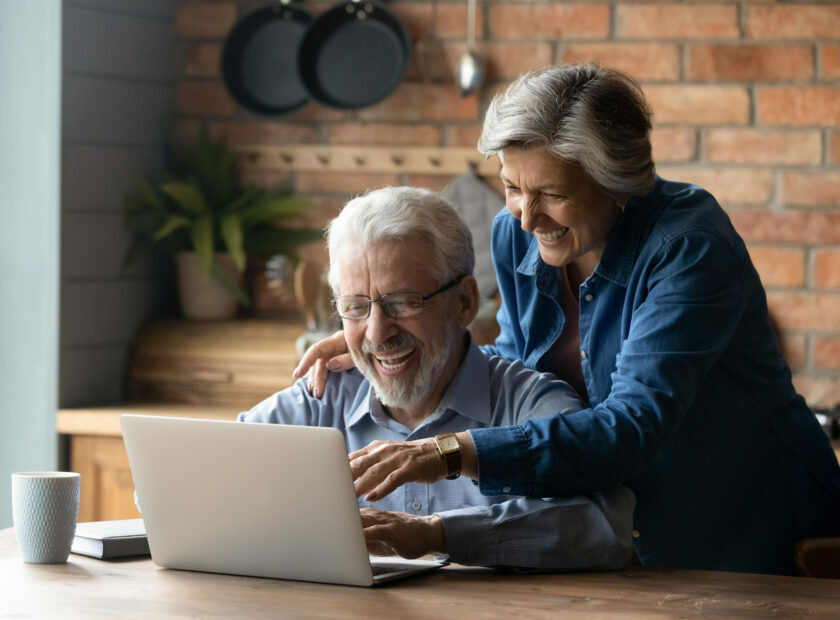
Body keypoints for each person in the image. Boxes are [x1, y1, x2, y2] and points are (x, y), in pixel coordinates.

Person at [295, 64, 840, 575]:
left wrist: (444, 453)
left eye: (551, 193)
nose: (528, 217)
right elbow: (512, 362)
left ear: (615, 182)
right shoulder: (517, 234)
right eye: (512, 188)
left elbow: (630, 428)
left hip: (751, 530)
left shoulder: (688, 246)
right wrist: (388, 338)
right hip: (627, 534)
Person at [240, 186, 635, 571]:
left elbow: (603, 527)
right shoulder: (319, 398)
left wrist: (438, 534)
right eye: (356, 307)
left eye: (403, 303)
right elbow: (213, 479)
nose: (377, 333)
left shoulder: (530, 404)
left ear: (464, 302)